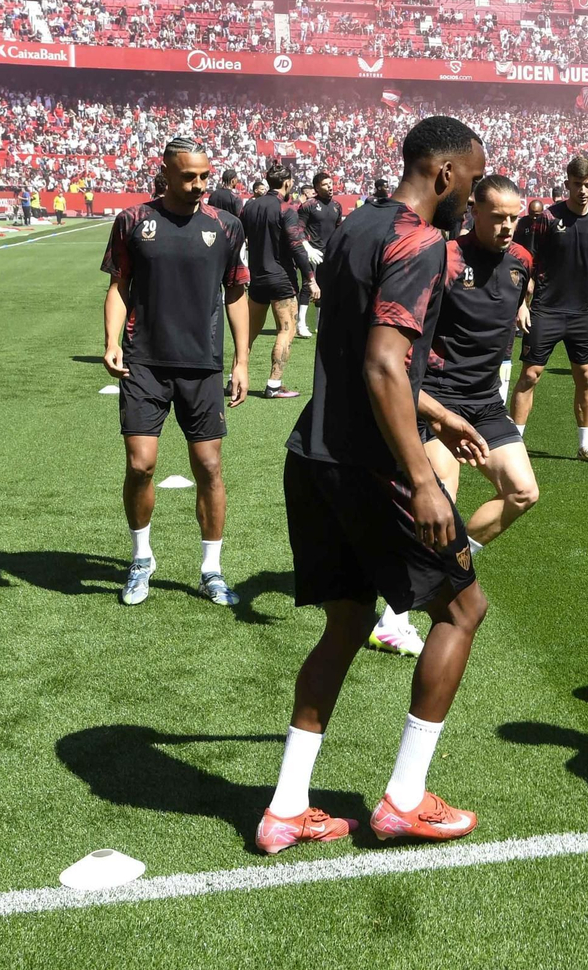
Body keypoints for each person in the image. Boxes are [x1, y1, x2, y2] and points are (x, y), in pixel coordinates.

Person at [259, 115, 490, 853]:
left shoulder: (357, 224)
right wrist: (421, 477)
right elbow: (383, 362)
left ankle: (285, 809)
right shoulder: (423, 242)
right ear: (445, 174)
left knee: (349, 621)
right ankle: (405, 799)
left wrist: (438, 412)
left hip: (314, 454)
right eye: (472, 179)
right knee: (463, 609)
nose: (473, 193)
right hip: (374, 466)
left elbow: (356, 347)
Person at [371, 175, 539, 657]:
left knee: (523, 492)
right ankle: (394, 618)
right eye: (498, 218)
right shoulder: (442, 258)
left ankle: (449, 568)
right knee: (442, 501)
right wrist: (423, 400)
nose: (507, 227)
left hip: (484, 401)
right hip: (436, 397)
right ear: (473, 213)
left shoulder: (522, 261)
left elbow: (516, 302)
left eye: (514, 218)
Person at [100, 137, 251, 608]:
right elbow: (119, 285)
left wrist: (242, 360)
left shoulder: (226, 226)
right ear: (165, 172)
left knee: (209, 467)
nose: (199, 185)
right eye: (189, 176)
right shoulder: (132, 221)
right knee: (140, 465)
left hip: (202, 365)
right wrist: (111, 341)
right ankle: (141, 559)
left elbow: (236, 292)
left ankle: (211, 570)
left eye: (205, 176)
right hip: (143, 360)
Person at [508, 155, 588, 466]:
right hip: (545, 310)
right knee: (530, 375)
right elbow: (523, 264)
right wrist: (521, 304)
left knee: (585, 377)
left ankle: (585, 446)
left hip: (582, 314)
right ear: (567, 184)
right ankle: (514, 446)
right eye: (577, 184)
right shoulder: (547, 219)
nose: (582, 191)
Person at [239, 163, 319, 398]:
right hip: (281, 279)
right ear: (287, 183)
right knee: (286, 330)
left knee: (248, 333)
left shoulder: (250, 207)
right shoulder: (286, 209)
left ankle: (235, 378)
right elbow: (296, 246)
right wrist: (310, 278)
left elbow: (238, 238)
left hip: (257, 277)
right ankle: (274, 385)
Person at [295, 171, 344, 340]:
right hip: (311, 252)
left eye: (331, 183)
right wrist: (307, 247)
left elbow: (339, 229)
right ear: (316, 187)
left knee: (324, 286)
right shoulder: (308, 205)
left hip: (328, 254)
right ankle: (301, 324)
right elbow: (298, 229)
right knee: (307, 286)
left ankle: (319, 323)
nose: (330, 187)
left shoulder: (337, 206)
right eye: (325, 184)